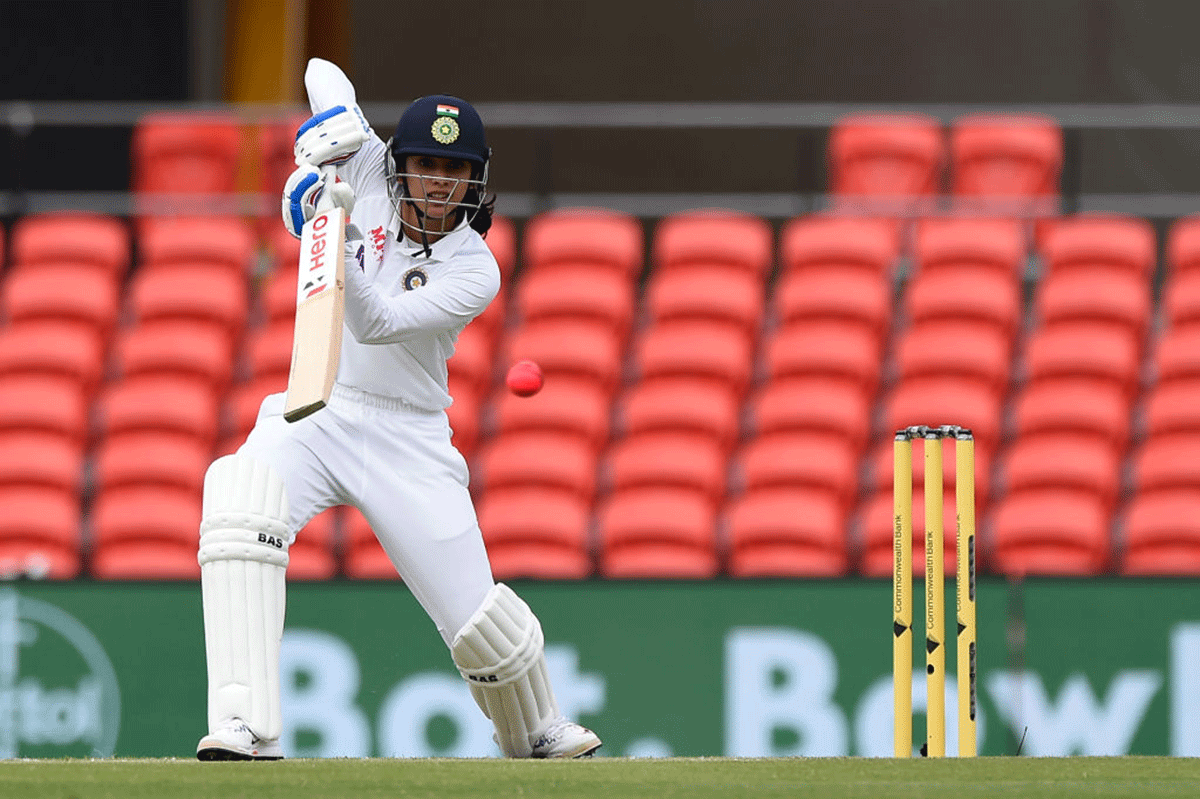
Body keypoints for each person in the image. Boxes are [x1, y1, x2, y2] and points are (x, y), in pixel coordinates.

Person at [194, 74, 602, 761]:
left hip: (408, 434)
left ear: (475, 180)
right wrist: (326, 135)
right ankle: (245, 725)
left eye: (455, 170)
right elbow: (322, 70)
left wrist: (327, 229)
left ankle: (537, 728)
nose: (439, 182)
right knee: (239, 503)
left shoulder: (476, 267)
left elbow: (378, 322)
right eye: (426, 165)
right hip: (316, 403)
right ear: (398, 163)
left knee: (478, 623)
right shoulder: (364, 164)